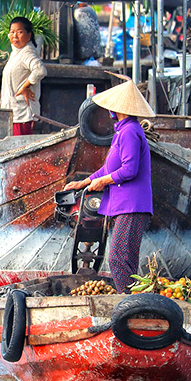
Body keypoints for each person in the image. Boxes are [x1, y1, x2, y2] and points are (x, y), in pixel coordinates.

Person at [63, 80, 155, 293]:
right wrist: (84, 182)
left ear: (119, 109)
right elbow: (107, 169)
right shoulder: (121, 132)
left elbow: (129, 170)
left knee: (118, 260)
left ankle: (129, 303)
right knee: (127, 261)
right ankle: (134, 301)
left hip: (132, 205)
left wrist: (103, 182)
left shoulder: (130, 131)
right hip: (125, 205)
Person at [0, 16, 47, 136]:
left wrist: (25, 86)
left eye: (19, 32)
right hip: (12, 113)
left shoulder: (27, 52)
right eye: (12, 32)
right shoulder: (16, 53)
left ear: (29, 35)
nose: (15, 36)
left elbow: (40, 70)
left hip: (22, 115)